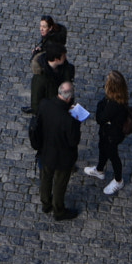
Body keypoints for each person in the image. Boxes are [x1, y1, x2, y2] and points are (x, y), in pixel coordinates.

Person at [32, 80, 84, 219]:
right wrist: (77, 123)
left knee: (45, 178)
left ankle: (46, 203)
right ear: (69, 97)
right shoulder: (69, 121)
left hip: (46, 152)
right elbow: (74, 141)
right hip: (62, 158)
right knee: (60, 185)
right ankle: (58, 210)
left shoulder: (44, 105)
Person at [84, 70, 132, 196]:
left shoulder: (113, 104)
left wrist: (100, 106)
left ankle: (118, 180)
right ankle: (99, 170)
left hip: (112, 135)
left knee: (113, 155)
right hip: (107, 132)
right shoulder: (119, 97)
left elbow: (100, 118)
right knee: (102, 148)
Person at [27, 44, 73, 112]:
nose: (66, 57)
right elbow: (36, 103)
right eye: (63, 56)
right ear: (56, 59)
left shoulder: (66, 67)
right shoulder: (40, 79)